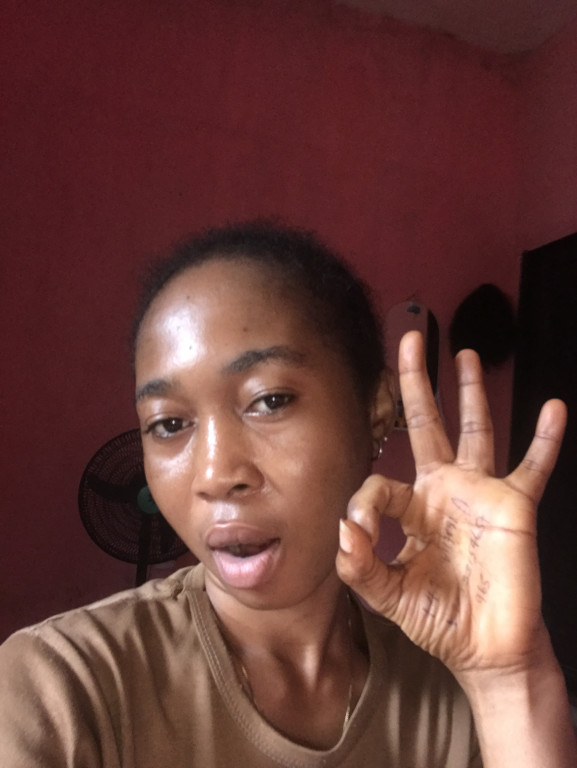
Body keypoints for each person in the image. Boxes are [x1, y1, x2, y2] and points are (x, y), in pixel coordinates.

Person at [0, 220, 575, 767]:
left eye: (269, 400)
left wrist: (508, 680)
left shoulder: (449, 698)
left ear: (376, 410)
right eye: (169, 424)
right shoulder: (60, 688)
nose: (215, 474)